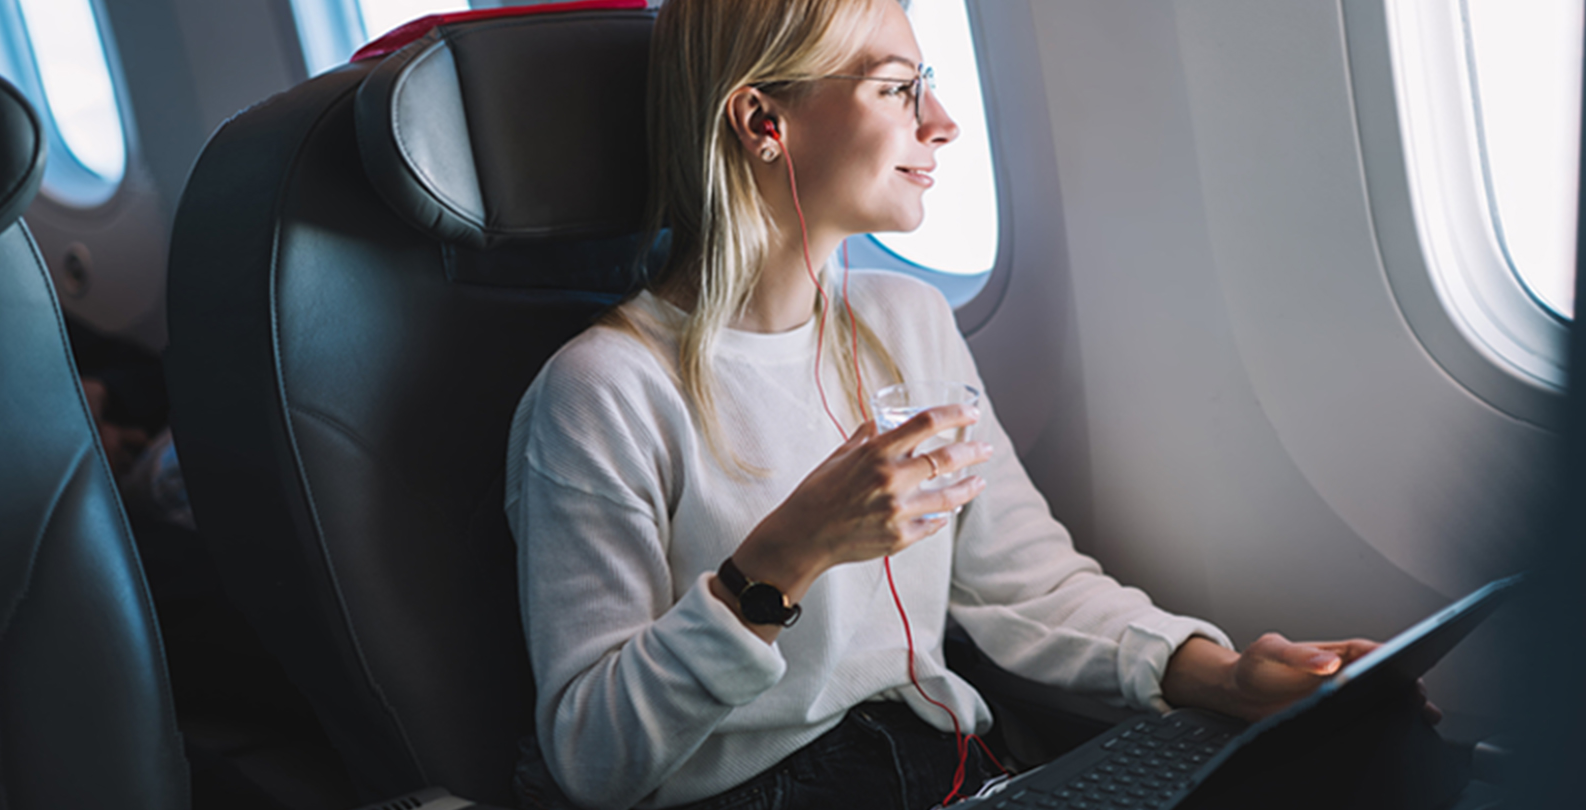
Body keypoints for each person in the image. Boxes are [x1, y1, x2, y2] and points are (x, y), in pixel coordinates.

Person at [505, 2, 1385, 808]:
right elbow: (595, 755)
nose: (943, 124)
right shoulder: (604, 392)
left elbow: (1023, 586)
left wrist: (1222, 676)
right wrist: (782, 558)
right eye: (897, 89)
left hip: (948, 766)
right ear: (763, 121)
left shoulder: (907, 324)